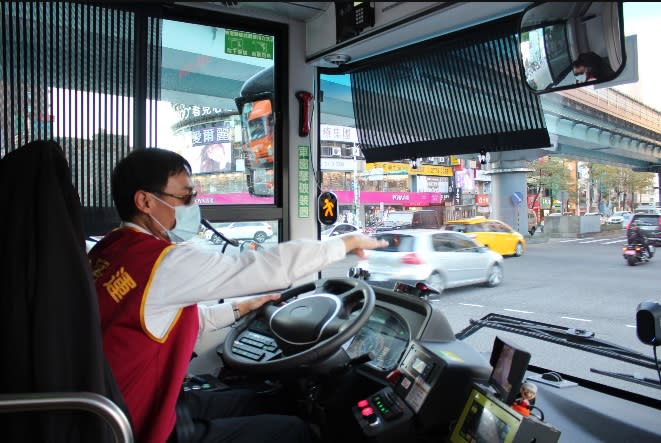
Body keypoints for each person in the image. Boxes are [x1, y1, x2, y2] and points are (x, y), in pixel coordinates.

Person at [88, 147, 387, 443]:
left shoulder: (111, 249)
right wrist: (343, 244)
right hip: (141, 425)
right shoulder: (162, 261)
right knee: (294, 431)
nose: (193, 205)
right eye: (185, 196)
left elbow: (160, 319)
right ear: (145, 202)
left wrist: (243, 307)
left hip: (122, 411)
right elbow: (264, 266)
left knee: (262, 400)